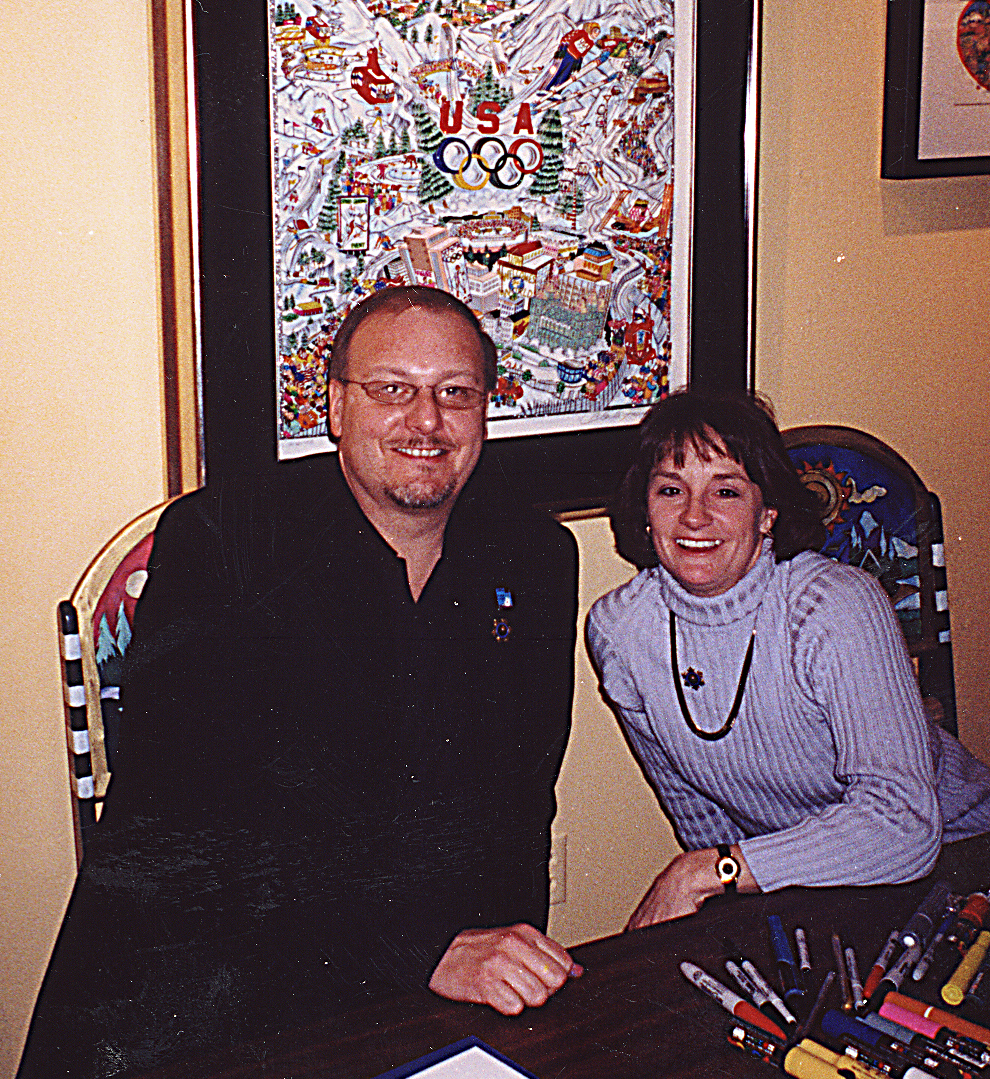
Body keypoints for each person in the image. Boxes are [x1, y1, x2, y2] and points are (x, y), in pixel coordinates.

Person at [19, 287, 580, 1079]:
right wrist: (424, 952)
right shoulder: (223, 541)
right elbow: (192, 827)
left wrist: (508, 968)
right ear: (335, 406)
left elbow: (520, 803)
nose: (425, 422)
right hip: (212, 981)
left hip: (428, 992)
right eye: (392, 390)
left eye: (455, 393)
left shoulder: (534, 555)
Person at [587, 389, 990, 929]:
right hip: (815, 889)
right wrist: (736, 896)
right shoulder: (620, 631)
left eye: (726, 491)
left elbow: (906, 826)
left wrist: (709, 873)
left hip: (972, 865)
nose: (694, 517)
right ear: (644, 509)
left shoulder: (833, 605)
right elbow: (694, 803)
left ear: (766, 513)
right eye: (671, 490)